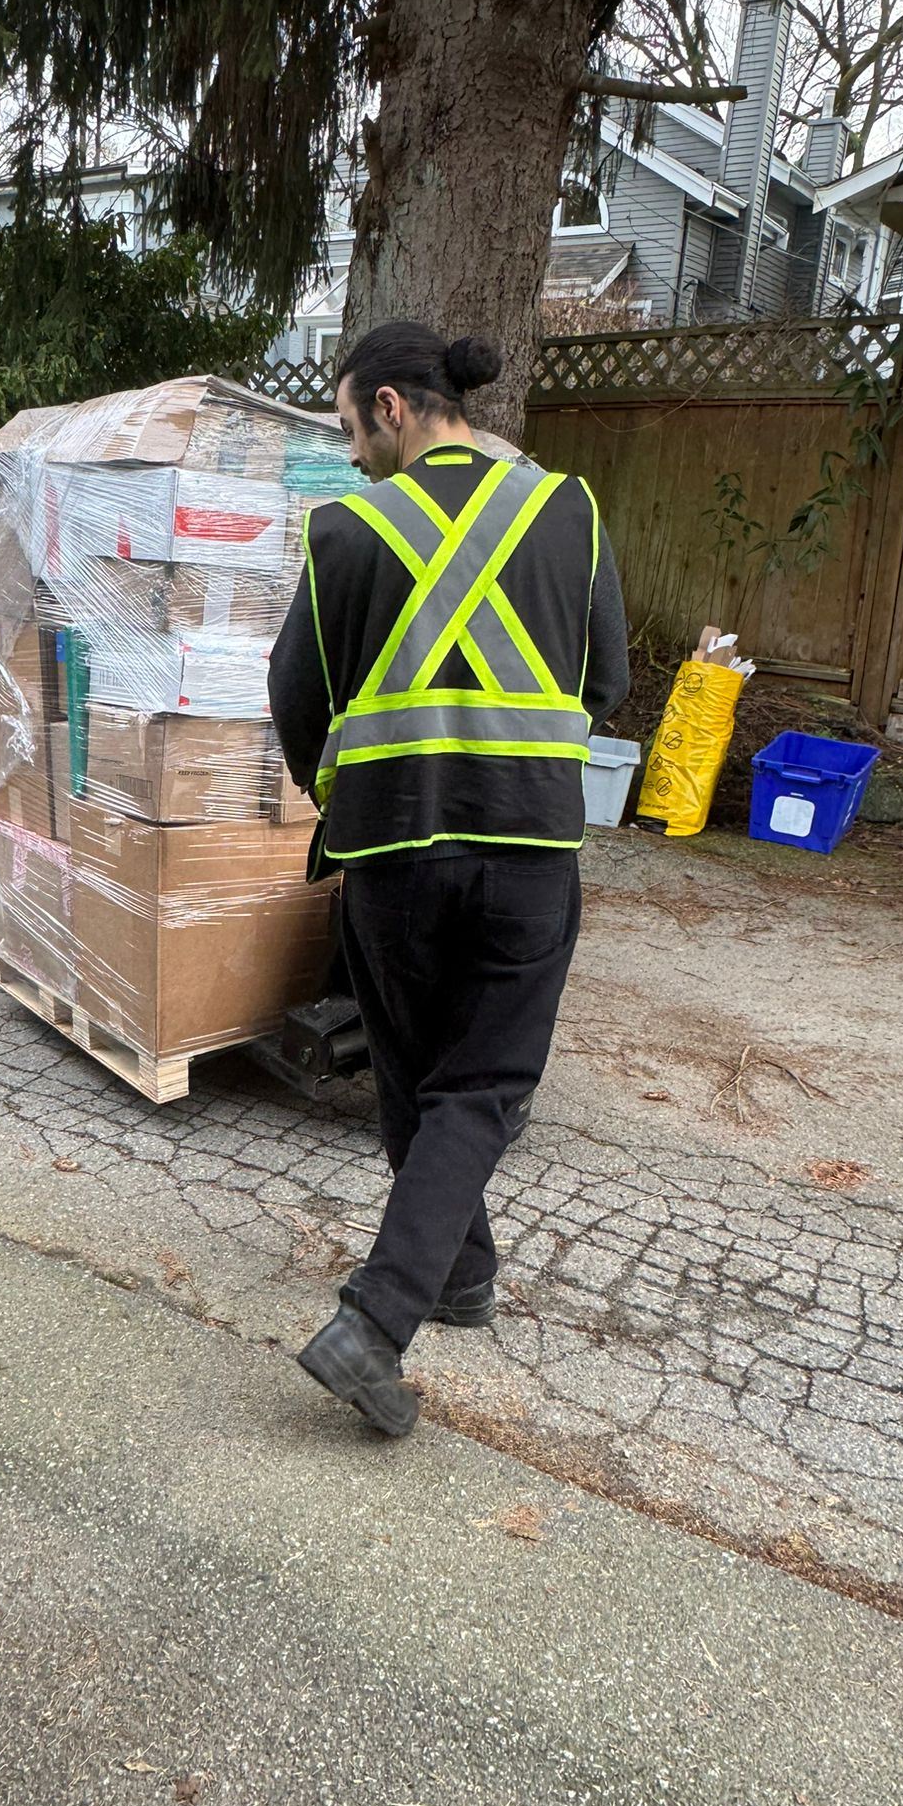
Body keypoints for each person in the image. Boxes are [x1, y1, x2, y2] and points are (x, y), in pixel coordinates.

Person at [268, 320, 629, 1438]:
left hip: (388, 856)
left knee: (418, 1077)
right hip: (524, 852)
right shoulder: (568, 509)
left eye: (346, 427)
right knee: (481, 1086)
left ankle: (459, 1278)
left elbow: (295, 699)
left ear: (389, 407)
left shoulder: (344, 532)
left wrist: (345, 790)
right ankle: (376, 1320)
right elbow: (606, 683)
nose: (348, 456)